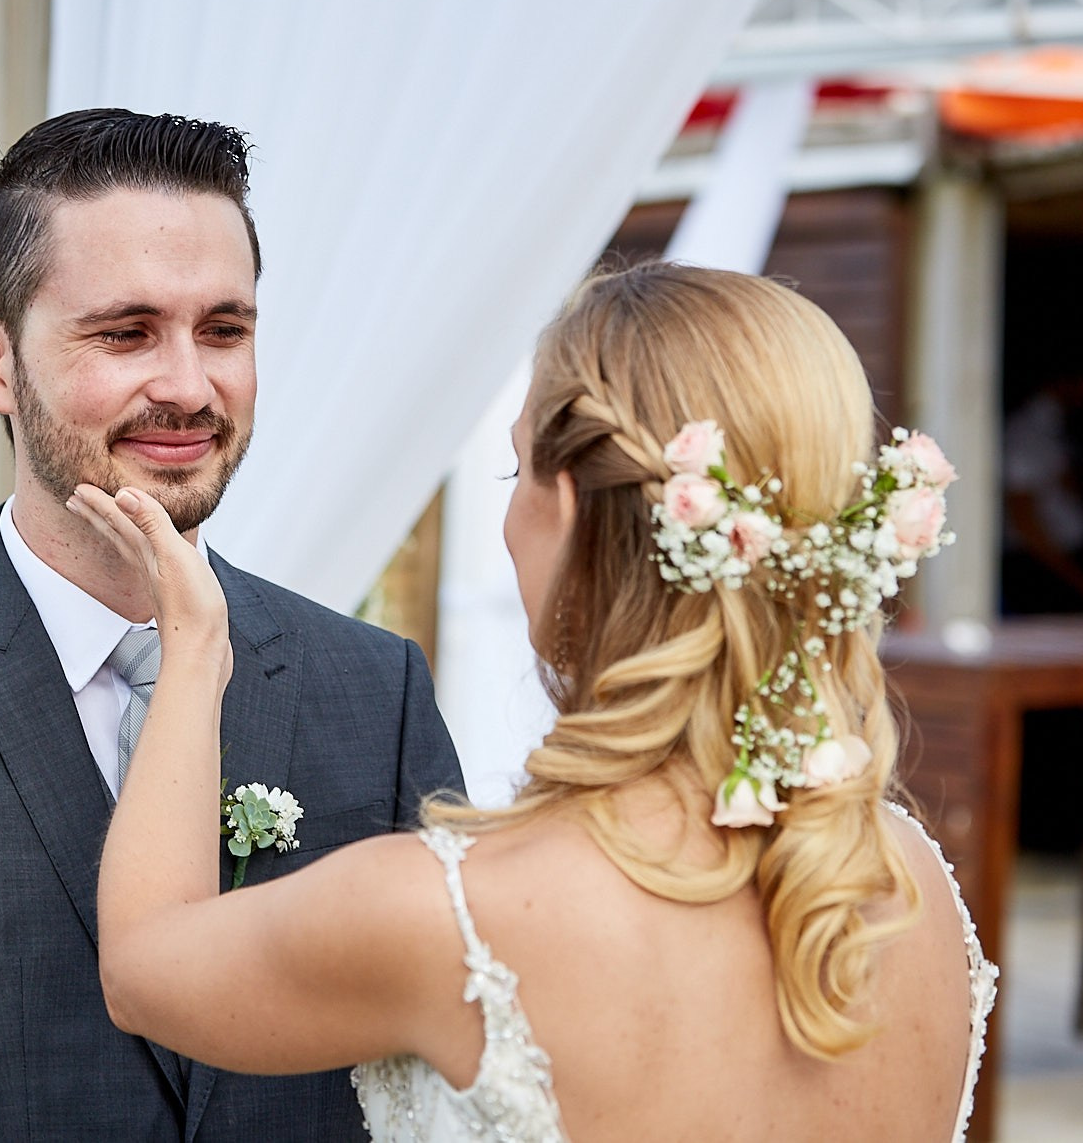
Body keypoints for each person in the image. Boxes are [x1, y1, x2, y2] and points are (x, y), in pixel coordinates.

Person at [79, 264, 997, 1143]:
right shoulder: (912, 886)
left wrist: (194, 646)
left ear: (570, 504)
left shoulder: (458, 911)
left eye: (514, 473)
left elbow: (145, 963)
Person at [0, 108, 464, 1141]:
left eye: (224, 331)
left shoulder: (372, 692)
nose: (188, 386)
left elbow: (447, 1077)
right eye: (125, 333)